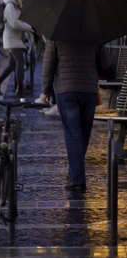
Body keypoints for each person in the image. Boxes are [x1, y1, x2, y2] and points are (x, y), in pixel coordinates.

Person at [42, 38, 109, 191]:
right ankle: (74, 173)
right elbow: (105, 66)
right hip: (88, 90)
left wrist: (46, 89)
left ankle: (77, 178)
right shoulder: (94, 33)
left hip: (66, 91)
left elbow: (48, 64)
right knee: (83, 133)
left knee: (73, 134)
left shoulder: (57, 34)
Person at [0, 0, 34, 98]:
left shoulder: (15, 5)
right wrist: (29, 28)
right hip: (11, 40)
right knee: (20, 62)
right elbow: (14, 23)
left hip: (14, 39)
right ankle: (20, 88)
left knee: (11, 65)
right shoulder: (10, 6)